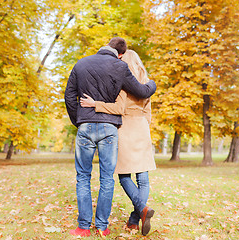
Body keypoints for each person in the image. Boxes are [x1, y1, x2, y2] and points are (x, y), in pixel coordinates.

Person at [64, 37, 156, 237]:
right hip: (111, 128)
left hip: (87, 126)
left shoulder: (81, 64)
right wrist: (152, 85)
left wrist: (78, 120)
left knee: (83, 177)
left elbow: (69, 96)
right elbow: (142, 92)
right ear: (120, 54)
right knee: (108, 179)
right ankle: (103, 227)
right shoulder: (119, 68)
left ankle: (83, 227)